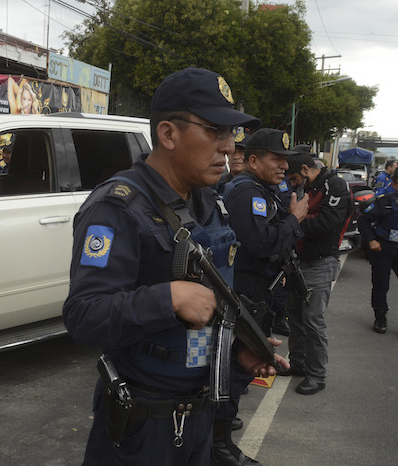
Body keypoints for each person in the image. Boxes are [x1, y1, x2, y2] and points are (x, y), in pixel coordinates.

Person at [62, 67, 288, 465]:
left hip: (199, 419)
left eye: (231, 135)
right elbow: (84, 315)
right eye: (215, 132)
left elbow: (208, 316)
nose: (228, 148)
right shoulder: (118, 208)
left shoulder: (209, 203)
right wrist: (167, 298)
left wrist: (238, 356)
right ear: (168, 134)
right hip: (141, 428)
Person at [216, 128, 307, 465]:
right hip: (244, 294)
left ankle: (221, 436)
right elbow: (259, 242)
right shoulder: (247, 192)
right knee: (234, 368)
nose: (284, 165)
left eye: (286, 160)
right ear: (253, 160)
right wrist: (295, 220)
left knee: (242, 368)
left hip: (258, 292)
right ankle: (219, 444)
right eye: (276, 159)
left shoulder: (262, 190)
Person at [280, 152, 353, 395]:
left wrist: (295, 221)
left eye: (293, 178)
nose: (292, 184)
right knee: (296, 317)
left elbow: (327, 223)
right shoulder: (309, 187)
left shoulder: (335, 185)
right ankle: (299, 363)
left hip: (319, 263)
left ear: (304, 169)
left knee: (313, 320)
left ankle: (317, 375)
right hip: (298, 261)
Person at [357, 172, 398, 334]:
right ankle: (380, 316)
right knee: (381, 285)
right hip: (384, 248)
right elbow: (363, 220)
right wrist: (370, 240)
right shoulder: (384, 199)